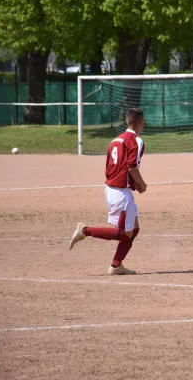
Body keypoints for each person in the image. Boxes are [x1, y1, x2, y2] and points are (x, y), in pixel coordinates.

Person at [67, 108, 147, 274]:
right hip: (121, 193)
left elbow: (114, 168)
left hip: (111, 189)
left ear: (127, 121)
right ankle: (85, 231)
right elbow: (131, 167)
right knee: (124, 233)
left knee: (134, 229)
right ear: (141, 122)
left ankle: (116, 265)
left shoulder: (115, 141)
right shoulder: (136, 141)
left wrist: (133, 184)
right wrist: (142, 184)